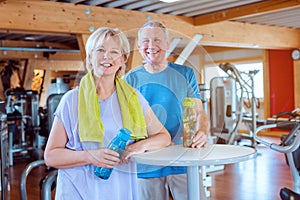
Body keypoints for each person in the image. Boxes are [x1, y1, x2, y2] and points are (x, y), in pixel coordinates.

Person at [44, 27, 171, 200]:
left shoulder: (134, 99)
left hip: (120, 190)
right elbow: (51, 156)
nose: (107, 56)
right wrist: (90, 156)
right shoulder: (71, 100)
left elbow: (164, 137)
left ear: (122, 59)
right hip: (77, 192)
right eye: (100, 50)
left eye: (114, 52)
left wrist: (136, 147)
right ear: (90, 57)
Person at [124, 21, 210, 200]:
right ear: (139, 46)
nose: (151, 46)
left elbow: (199, 112)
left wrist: (202, 130)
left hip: (182, 156)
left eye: (157, 40)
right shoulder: (130, 79)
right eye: (146, 41)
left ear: (167, 44)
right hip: (147, 161)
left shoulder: (185, 74)